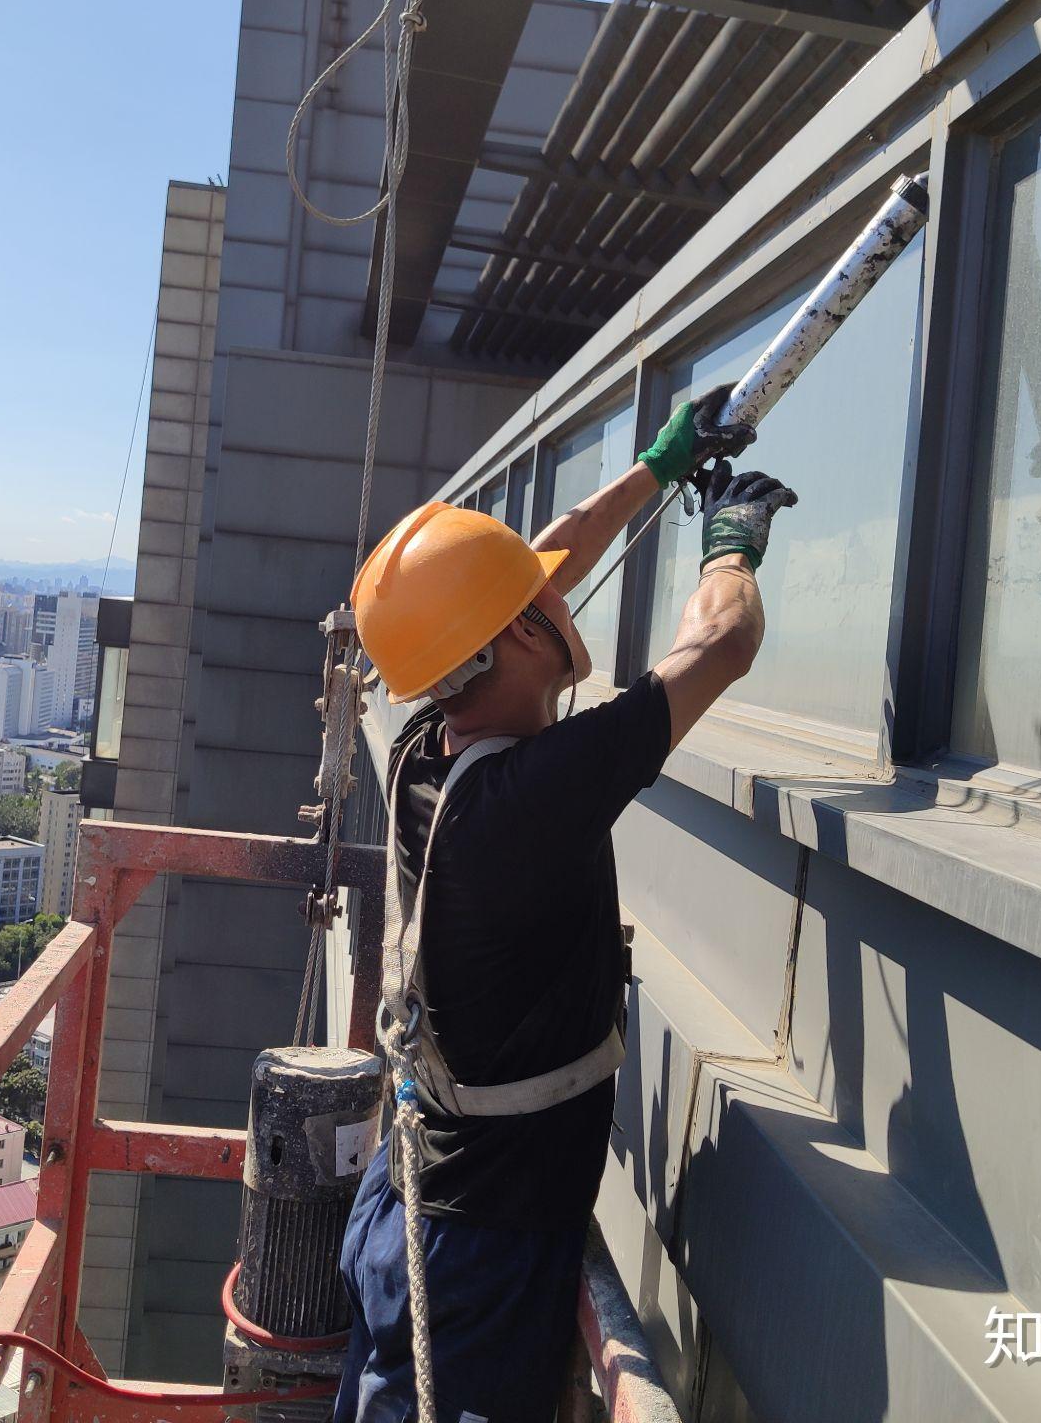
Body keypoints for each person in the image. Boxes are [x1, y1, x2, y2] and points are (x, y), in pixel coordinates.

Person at [336, 389, 798, 1423]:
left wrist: (663, 461)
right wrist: (730, 543)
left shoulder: (432, 742)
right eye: (537, 603)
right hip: (479, 1253)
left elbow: (542, 558)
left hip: (407, 1209)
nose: (561, 598)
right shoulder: (527, 802)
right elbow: (720, 645)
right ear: (511, 644)